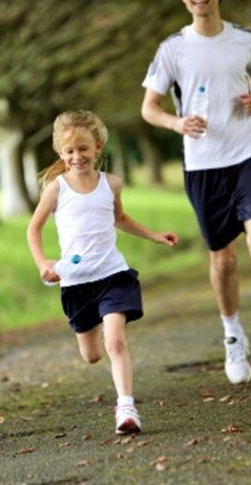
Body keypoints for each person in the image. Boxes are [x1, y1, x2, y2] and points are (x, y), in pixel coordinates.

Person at [140, 0, 251, 385]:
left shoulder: (244, 41)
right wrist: (176, 122)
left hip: (247, 154)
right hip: (202, 164)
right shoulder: (172, 49)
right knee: (223, 259)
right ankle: (233, 337)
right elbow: (149, 108)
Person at [26, 110, 178, 435]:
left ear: (97, 147)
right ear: (60, 154)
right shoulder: (56, 189)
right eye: (69, 151)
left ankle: (126, 407)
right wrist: (43, 263)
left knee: (116, 342)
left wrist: (154, 234)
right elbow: (33, 229)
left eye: (83, 148)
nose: (76, 156)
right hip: (77, 283)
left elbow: (119, 218)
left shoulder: (112, 184)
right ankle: (95, 325)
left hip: (112, 274)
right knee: (92, 355)